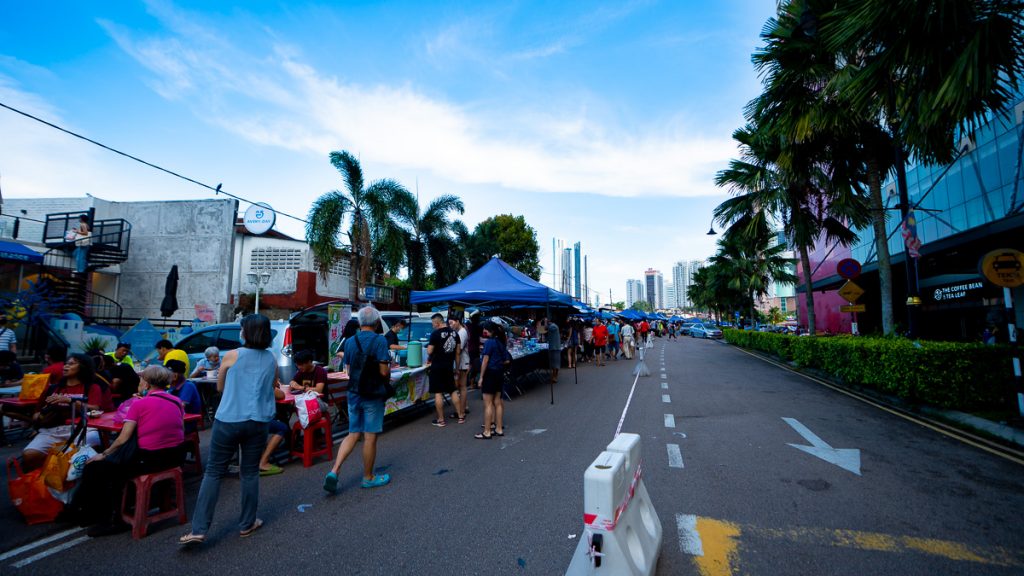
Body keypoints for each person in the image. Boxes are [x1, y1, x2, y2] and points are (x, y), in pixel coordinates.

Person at [180, 314, 278, 546]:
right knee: (250, 472)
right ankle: (247, 524)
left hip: (230, 419)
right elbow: (273, 385)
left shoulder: (233, 355)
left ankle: (199, 529)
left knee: (214, 471)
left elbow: (221, 386)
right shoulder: (271, 358)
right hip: (258, 422)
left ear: (245, 332)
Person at [70, 365, 185, 537]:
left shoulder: (139, 404)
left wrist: (104, 454)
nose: (139, 383)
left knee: (96, 467)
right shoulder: (176, 401)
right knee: (112, 465)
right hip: (175, 456)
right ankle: (109, 511)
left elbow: (122, 438)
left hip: (149, 460)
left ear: (146, 384)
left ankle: (114, 518)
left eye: (141, 380)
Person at [323, 306, 391, 493]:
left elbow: (350, 369)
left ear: (360, 323)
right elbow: (384, 371)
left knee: (353, 433)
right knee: (369, 437)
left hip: (353, 392)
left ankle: (334, 471)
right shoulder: (380, 341)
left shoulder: (350, 342)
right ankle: (368, 477)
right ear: (377, 323)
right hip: (373, 394)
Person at [21, 353, 103, 471]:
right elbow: (36, 414)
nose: (66, 366)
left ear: (83, 367)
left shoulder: (92, 387)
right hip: (52, 430)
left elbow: (95, 409)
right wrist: (43, 414)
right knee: (29, 455)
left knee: (78, 452)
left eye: (71, 364)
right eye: (66, 363)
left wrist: (71, 401)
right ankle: (40, 482)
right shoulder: (53, 388)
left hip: (81, 429)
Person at [475, 322, 508, 440]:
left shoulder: (489, 343)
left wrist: (481, 377)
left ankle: (487, 431)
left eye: (485, 330)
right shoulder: (501, 342)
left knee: (488, 404)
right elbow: (506, 360)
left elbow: (485, 360)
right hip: (499, 373)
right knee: (498, 402)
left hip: (490, 373)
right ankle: (499, 429)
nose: (484, 332)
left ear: (489, 331)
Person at [426, 312, 460, 427]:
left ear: (437, 322)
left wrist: (429, 349)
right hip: (449, 366)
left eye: (432, 323)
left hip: (437, 367)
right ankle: (461, 416)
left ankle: (441, 420)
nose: (432, 326)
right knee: (452, 390)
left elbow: (430, 351)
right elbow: (458, 353)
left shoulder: (435, 334)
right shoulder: (455, 333)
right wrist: (457, 368)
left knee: (438, 393)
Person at [258, 386, 288, 477]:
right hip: (257, 420)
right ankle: (263, 462)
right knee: (282, 428)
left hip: (233, 421)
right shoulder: (262, 381)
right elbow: (281, 395)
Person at [542, 318, 561, 384]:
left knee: (555, 363)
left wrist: (545, 322)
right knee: (556, 363)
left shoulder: (553, 326)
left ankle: (554, 377)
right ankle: (554, 376)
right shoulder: (554, 326)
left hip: (554, 347)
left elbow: (545, 328)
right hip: (555, 347)